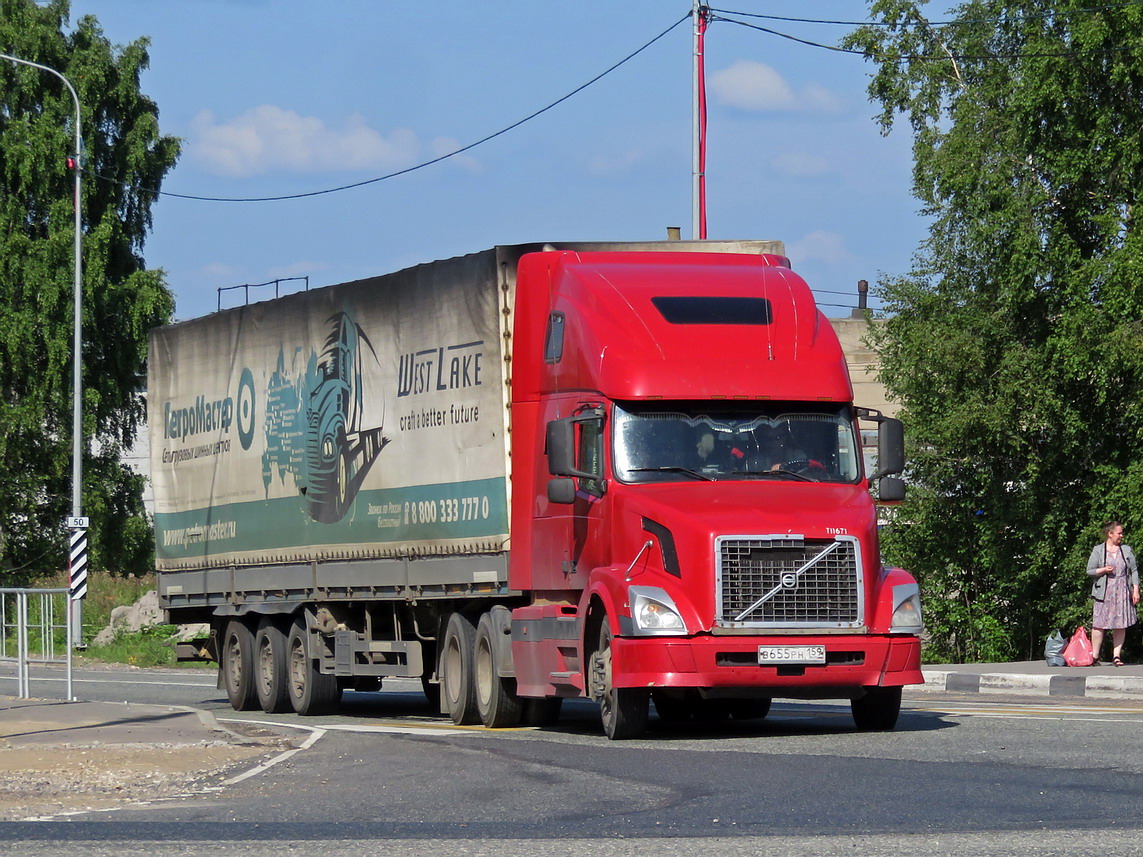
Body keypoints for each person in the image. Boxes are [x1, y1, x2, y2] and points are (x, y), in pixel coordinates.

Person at [1086, 521, 1141, 666]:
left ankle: (1116, 656)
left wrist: (1135, 589)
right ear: (1110, 534)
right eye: (1119, 533)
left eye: (1122, 533)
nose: (1121, 536)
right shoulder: (1098, 550)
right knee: (1099, 624)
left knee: (1120, 624)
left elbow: (1134, 570)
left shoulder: (1126, 550)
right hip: (1104, 592)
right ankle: (1095, 656)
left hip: (1122, 590)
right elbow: (1089, 570)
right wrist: (1103, 570)